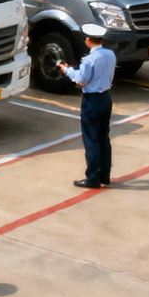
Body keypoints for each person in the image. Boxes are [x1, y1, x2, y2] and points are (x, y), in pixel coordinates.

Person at [57, 23, 116, 188]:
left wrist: (66, 70)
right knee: (104, 137)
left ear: (89, 40)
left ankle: (92, 177)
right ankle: (105, 175)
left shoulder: (89, 59)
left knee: (91, 139)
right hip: (106, 97)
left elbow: (81, 79)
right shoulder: (110, 54)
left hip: (92, 101)